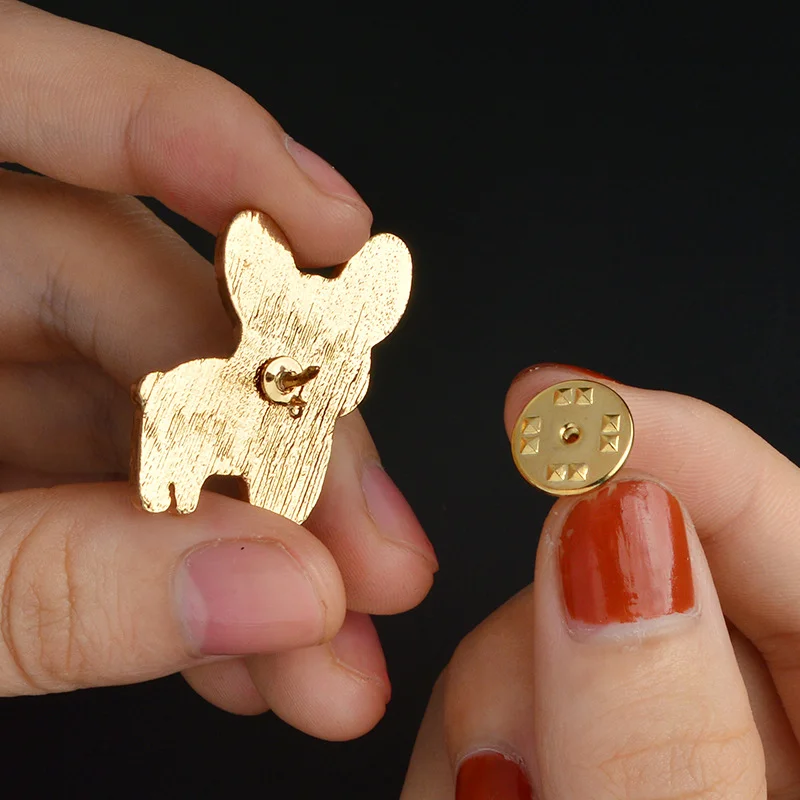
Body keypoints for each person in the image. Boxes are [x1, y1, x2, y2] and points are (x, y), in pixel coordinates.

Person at [1, 3, 797, 797]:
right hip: (190, 433)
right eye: (283, 351)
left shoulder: (307, 443)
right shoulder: (192, 396)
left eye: (324, 359)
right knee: (199, 500)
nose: (297, 375)